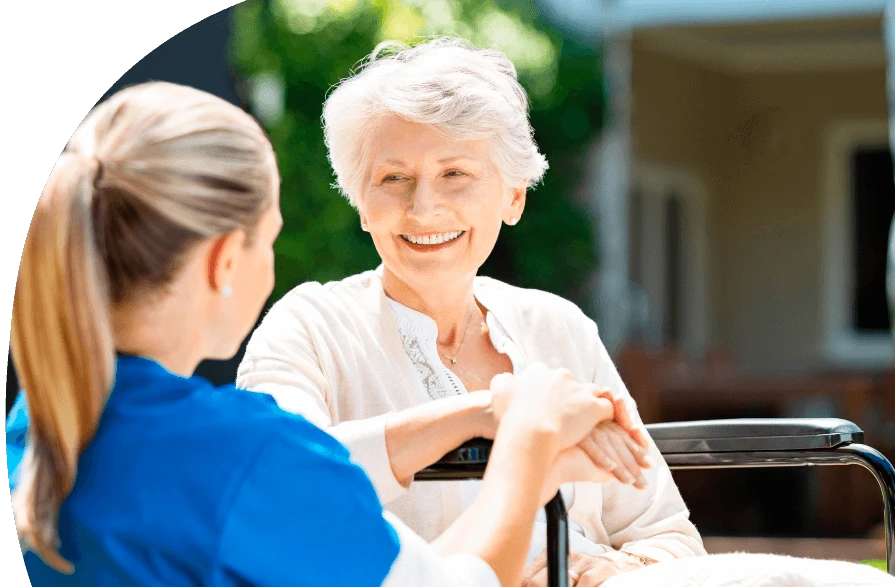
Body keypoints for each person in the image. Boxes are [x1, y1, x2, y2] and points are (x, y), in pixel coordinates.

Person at [5, 80, 637, 587]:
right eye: (272, 238)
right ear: (226, 260)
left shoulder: (44, 420)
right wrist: (528, 437)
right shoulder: (247, 456)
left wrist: (478, 414)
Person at [236, 38, 702, 584]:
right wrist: (490, 412)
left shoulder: (560, 328)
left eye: (454, 173)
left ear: (513, 196)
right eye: (393, 178)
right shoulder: (309, 326)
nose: (423, 206)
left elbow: (667, 535)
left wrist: (603, 570)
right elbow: (279, 482)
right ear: (362, 203)